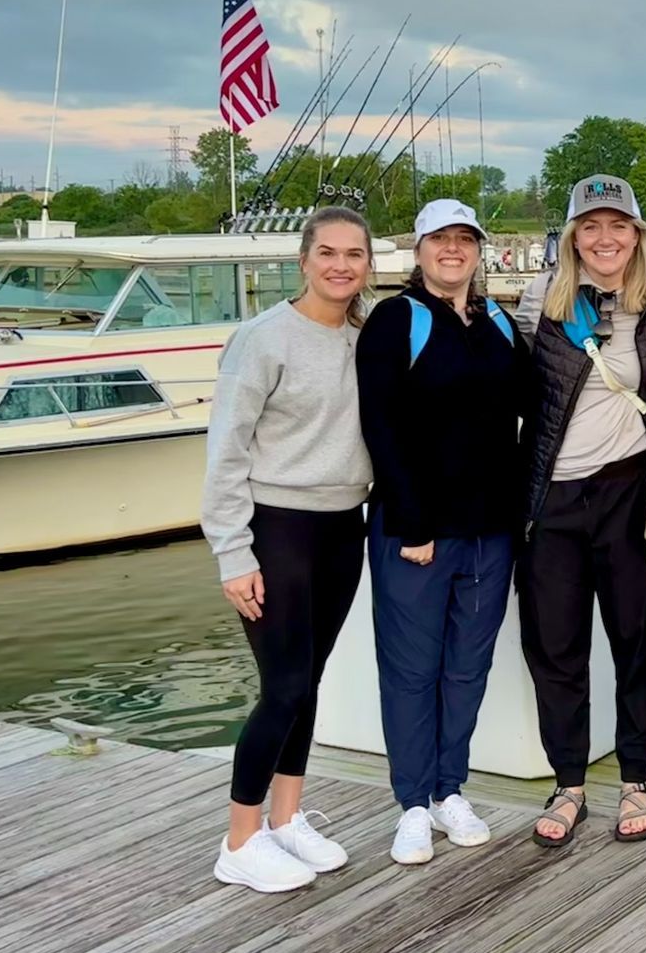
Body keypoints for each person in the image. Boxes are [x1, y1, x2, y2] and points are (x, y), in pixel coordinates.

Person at [516, 175, 646, 849]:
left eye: (617, 226)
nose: (604, 239)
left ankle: (636, 778)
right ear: (572, 237)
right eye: (590, 227)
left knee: (636, 640)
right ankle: (568, 783)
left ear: (638, 234)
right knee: (555, 647)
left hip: (629, 490)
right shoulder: (541, 298)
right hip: (554, 498)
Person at [203, 207, 377, 892]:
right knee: (283, 688)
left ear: (369, 265)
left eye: (354, 255)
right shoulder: (263, 339)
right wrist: (232, 552)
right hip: (275, 528)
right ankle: (239, 841)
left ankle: (286, 819)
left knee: (310, 683)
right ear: (304, 260)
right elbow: (225, 453)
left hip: (343, 527)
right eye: (327, 252)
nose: (341, 266)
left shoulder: (366, 337)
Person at [357, 199, 531, 866]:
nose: (452, 250)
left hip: (491, 532)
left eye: (465, 240)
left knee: (466, 670)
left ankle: (448, 789)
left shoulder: (495, 320)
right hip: (417, 533)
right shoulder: (397, 319)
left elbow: (530, 404)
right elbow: (382, 426)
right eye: (440, 240)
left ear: (478, 250)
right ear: (419, 249)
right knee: (410, 671)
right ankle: (410, 804)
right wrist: (412, 521)